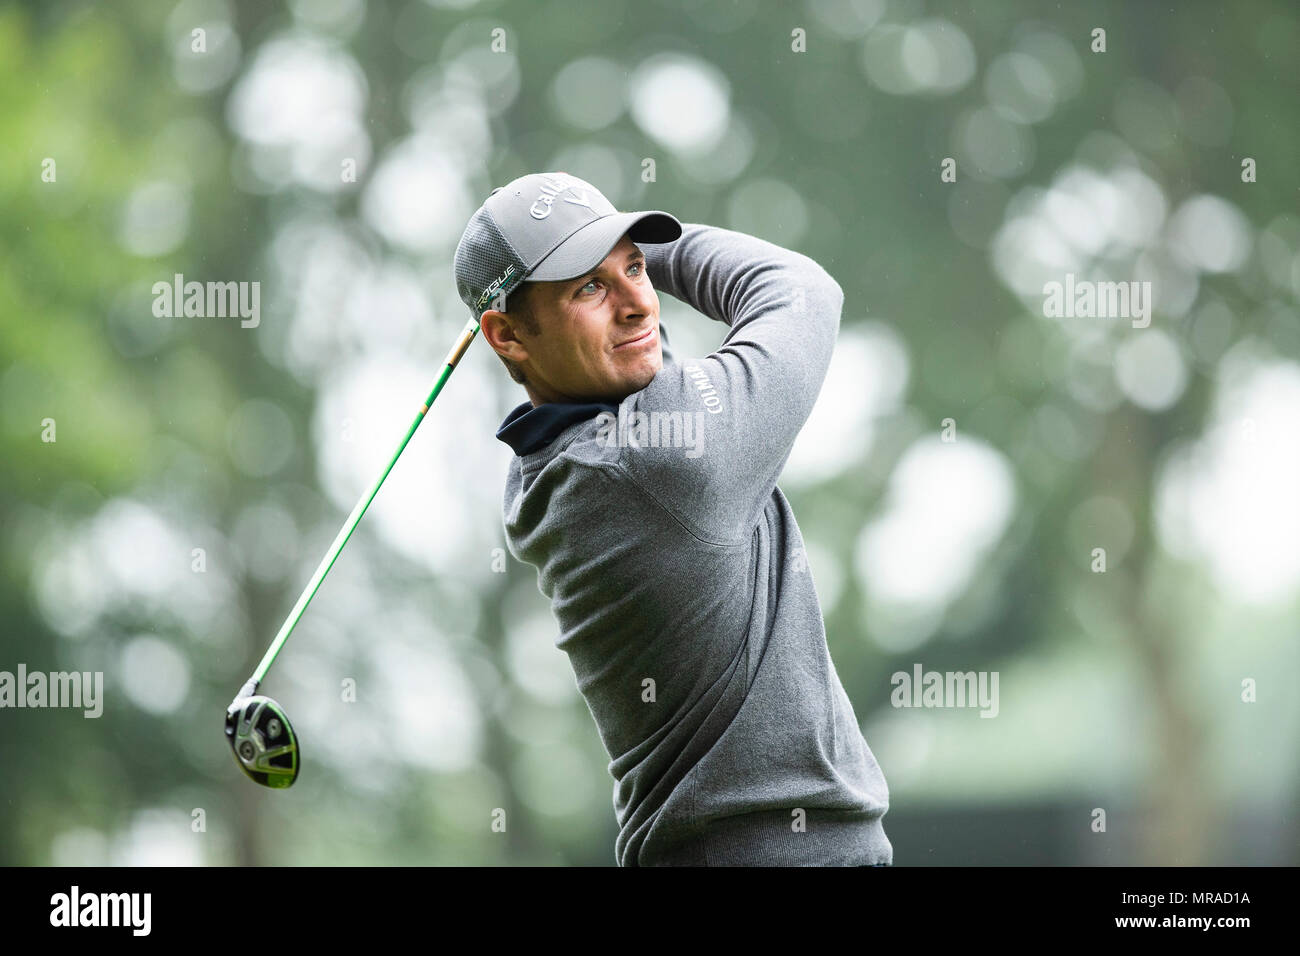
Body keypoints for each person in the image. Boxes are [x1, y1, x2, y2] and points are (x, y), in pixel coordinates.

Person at [453, 171, 893, 866]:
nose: (639, 305)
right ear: (506, 335)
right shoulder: (663, 460)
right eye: (590, 288)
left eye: (636, 267)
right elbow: (802, 290)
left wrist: (591, 251)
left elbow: (628, 358)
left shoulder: (547, 462)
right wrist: (657, 248)